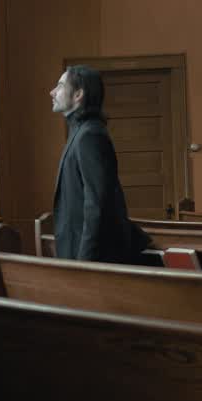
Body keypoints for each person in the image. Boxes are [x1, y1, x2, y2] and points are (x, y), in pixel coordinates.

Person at [48, 66, 148, 263]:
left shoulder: (89, 135)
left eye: (60, 86)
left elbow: (97, 204)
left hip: (91, 256)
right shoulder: (80, 132)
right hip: (80, 251)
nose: (52, 92)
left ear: (78, 94)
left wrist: (85, 261)